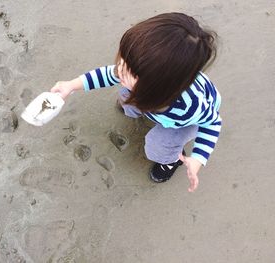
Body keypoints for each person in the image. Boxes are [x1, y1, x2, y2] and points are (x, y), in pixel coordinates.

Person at [51, 12, 222, 192]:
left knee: (157, 145)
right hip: (152, 99)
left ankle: (170, 161)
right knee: (127, 95)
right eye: (124, 59)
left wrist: (198, 160)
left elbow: (213, 123)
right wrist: (71, 85)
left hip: (181, 124)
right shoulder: (137, 70)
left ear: (157, 86)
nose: (121, 68)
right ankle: (135, 108)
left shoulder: (190, 107)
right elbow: (108, 75)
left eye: (129, 70)